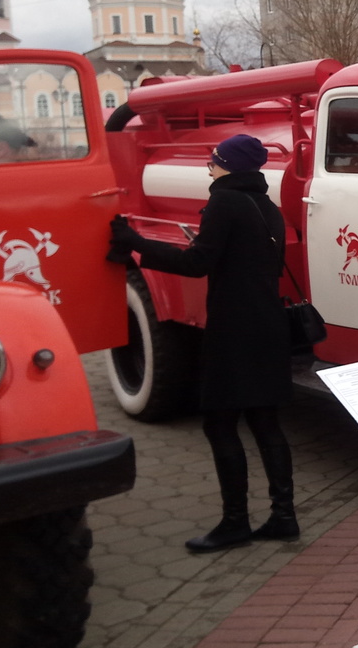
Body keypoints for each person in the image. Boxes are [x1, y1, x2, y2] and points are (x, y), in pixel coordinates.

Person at [109, 134, 298, 552]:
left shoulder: (225, 202)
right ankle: (283, 516)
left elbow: (197, 263)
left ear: (230, 165)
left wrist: (137, 245)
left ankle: (235, 523)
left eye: (214, 160)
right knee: (266, 423)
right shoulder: (266, 206)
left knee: (219, 423)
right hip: (268, 327)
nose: (209, 166)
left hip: (234, 332)